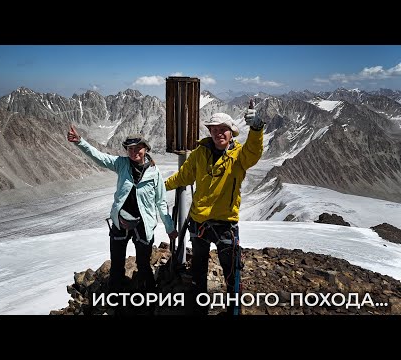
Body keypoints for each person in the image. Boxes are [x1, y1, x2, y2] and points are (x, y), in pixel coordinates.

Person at [164, 106, 264, 315]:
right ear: (209, 132)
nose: (218, 133)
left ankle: (232, 310)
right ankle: (200, 309)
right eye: (214, 129)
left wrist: (256, 129)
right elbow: (184, 176)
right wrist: (160, 186)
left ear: (231, 132)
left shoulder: (239, 156)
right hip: (199, 221)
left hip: (225, 223)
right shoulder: (200, 153)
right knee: (199, 271)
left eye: (223, 129)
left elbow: (254, 153)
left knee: (231, 273)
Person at [67, 126, 178, 298]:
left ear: (145, 149)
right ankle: (115, 299)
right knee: (117, 264)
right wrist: (80, 142)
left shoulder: (154, 174)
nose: (134, 152)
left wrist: (169, 227)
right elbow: (100, 157)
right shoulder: (121, 164)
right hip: (121, 222)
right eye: (130, 149)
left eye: (137, 148)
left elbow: (161, 203)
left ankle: (148, 298)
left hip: (143, 225)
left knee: (143, 264)